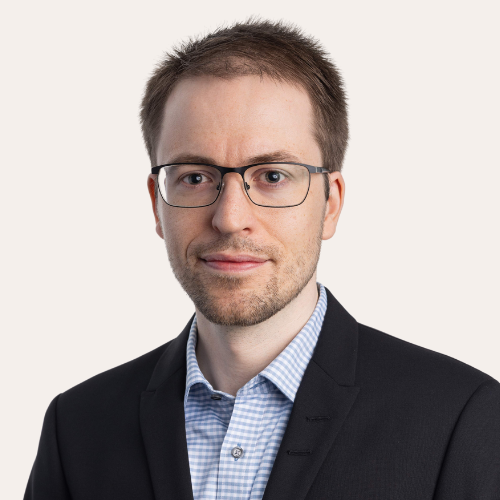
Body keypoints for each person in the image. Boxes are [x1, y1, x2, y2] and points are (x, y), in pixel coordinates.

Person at [24, 19, 500, 500]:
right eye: (195, 177)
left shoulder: (462, 419)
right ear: (156, 204)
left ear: (330, 204)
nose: (230, 219)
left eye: (273, 176)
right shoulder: (77, 428)